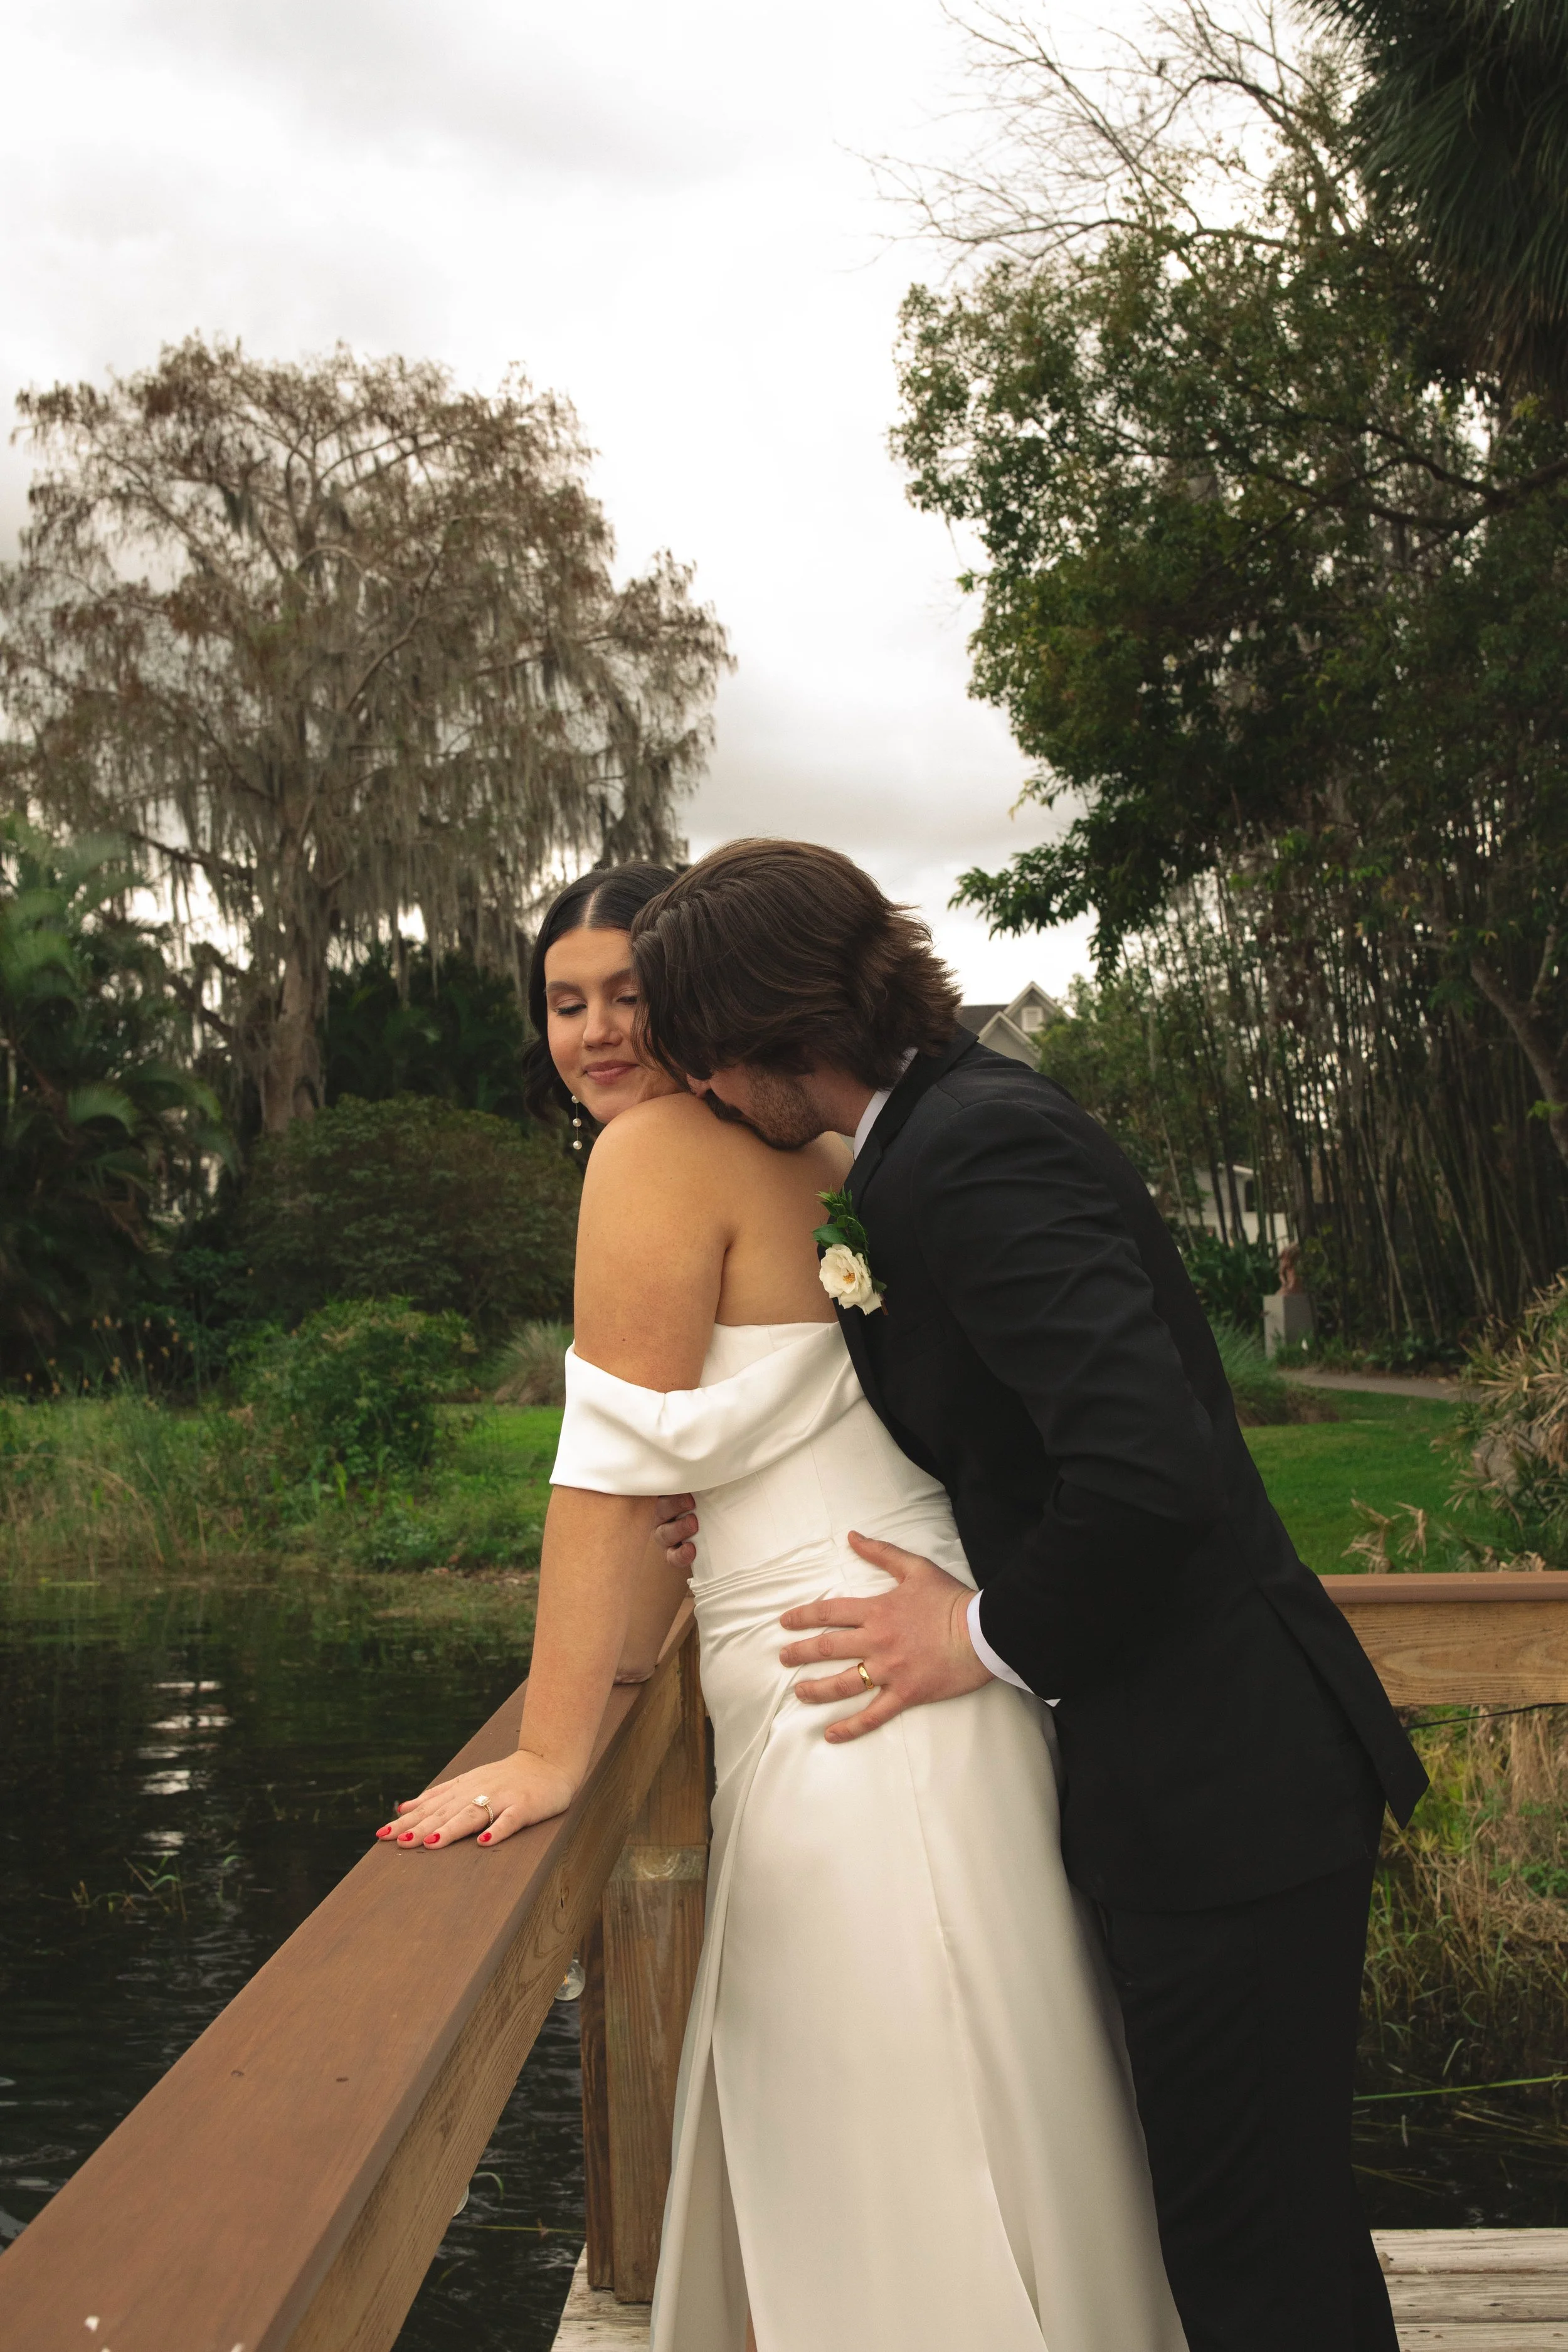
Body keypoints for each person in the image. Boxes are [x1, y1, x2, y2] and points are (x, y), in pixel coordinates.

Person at [633, 840, 1428, 2352]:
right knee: (1268, 2232)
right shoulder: (935, 1131)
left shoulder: (971, 1150)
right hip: (1195, 1779)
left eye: (710, 1065)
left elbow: (1143, 1471)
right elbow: (1015, 1428)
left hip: (1228, 1781)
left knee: (1246, 2256)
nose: (714, 1104)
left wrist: (974, 1634)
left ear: (770, 1033)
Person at [381, 859, 1187, 2351]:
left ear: (706, 1003)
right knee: (981, 2098)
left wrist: (554, 1752)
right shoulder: (821, 1141)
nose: (603, 1031)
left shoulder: (653, 1155)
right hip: (922, 1666)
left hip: (844, 1697)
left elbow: (610, 1473)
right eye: (566, 1004)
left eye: (633, 993)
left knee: (883, 2125)